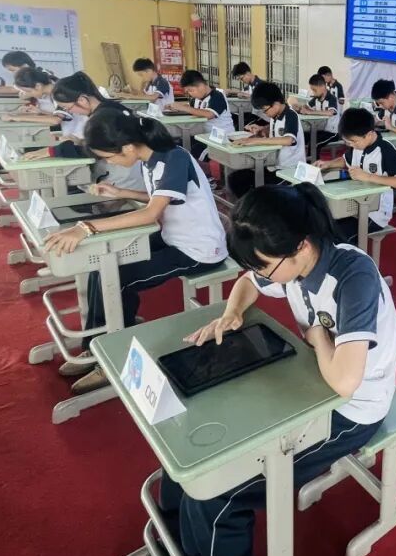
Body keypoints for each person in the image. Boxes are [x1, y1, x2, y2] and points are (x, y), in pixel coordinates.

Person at [131, 183, 396, 556]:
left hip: (352, 410)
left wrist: (318, 338)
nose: (262, 275)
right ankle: (175, 555)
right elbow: (248, 283)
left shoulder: (353, 277)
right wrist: (232, 313)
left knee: (218, 497)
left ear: (301, 246)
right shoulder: (294, 261)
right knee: (186, 458)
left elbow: (346, 382)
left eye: (267, 266)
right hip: (311, 382)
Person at [44, 108, 228, 394]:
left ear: (128, 147)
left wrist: (86, 228)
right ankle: (98, 342)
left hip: (199, 250)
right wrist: (121, 193)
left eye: (109, 157)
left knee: (118, 278)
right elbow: (159, 198)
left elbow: (151, 213)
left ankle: (112, 356)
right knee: (103, 264)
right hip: (173, 237)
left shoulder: (173, 158)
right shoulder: (149, 159)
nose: (109, 162)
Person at [15, 71, 146, 190]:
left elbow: (93, 150)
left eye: (68, 108)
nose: (70, 112)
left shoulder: (103, 117)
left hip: (128, 172)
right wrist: (79, 140)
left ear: (82, 100)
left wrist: (51, 151)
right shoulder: (108, 108)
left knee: (88, 186)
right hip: (128, 168)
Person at [314, 108, 396, 244]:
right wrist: (328, 164)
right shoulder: (357, 146)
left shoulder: (385, 150)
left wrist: (368, 177)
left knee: (339, 238)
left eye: (354, 141)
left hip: (375, 214)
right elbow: (345, 160)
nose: (351, 145)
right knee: (323, 224)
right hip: (353, 205)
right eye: (348, 143)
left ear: (369, 134)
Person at [226, 82, 304, 199]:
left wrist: (252, 141)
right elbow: (276, 133)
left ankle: (259, 207)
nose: (264, 113)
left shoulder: (290, 115)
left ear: (276, 104)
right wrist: (261, 130)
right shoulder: (275, 116)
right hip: (272, 165)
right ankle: (250, 207)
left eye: (265, 110)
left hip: (288, 170)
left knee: (261, 190)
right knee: (236, 179)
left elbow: (288, 140)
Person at [169, 69, 235, 162]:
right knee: (179, 145)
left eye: (191, 90)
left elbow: (209, 114)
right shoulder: (196, 99)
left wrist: (184, 108)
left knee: (195, 152)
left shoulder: (217, 95)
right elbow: (192, 109)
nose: (190, 94)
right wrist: (176, 108)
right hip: (204, 137)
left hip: (221, 138)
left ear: (201, 85)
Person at [304, 73, 342, 150]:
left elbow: (331, 112)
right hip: (321, 131)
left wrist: (310, 112)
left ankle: (313, 158)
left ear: (323, 87)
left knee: (314, 144)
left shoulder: (332, 98)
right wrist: (300, 108)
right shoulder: (316, 98)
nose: (313, 93)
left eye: (314, 90)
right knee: (301, 137)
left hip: (333, 133)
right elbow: (306, 107)